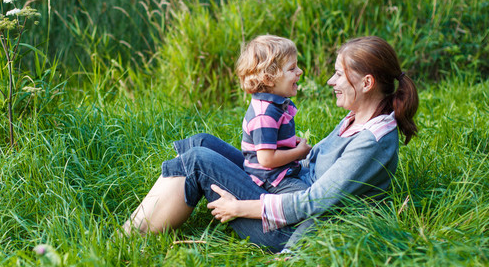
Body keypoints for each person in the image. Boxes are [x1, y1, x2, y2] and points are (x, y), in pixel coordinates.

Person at [122, 36, 419, 253]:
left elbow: (315, 202)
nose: (330, 81)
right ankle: (153, 213)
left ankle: (127, 240)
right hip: (285, 187)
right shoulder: (356, 119)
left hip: (287, 228)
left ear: (367, 83)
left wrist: (240, 207)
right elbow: (309, 162)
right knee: (202, 143)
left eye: (339, 74)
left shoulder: (372, 141)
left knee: (199, 160)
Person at [236, 35, 312, 193]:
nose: (300, 71)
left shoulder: (275, 104)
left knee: (319, 178)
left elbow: (272, 141)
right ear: (269, 79)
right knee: (308, 196)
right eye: (292, 68)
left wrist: (289, 142)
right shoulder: (264, 115)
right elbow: (266, 159)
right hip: (270, 179)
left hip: (282, 171)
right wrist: (298, 153)